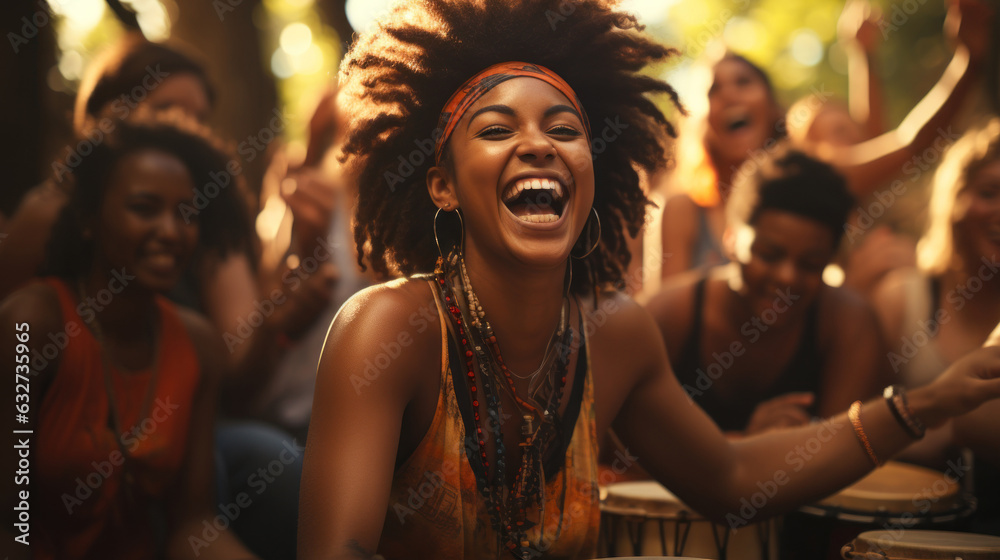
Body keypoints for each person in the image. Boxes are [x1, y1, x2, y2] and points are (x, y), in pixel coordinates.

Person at [297, 1, 1000, 559]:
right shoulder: (388, 330)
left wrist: (923, 405)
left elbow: (730, 478)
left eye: (564, 129)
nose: (537, 143)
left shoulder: (616, 335)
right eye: (496, 128)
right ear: (443, 185)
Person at [0, 114, 258, 559]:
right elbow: (11, 523)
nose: (171, 231)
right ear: (89, 219)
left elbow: (191, 523)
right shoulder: (32, 327)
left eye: (187, 214)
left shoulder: (198, 346)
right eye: (144, 208)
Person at [659, 0, 991, 282]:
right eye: (713, 90)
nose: (729, 93)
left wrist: (967, 61)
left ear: (774, 107)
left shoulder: (809, 178)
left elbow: (905, 144)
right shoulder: (683, 209)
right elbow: (664, 321)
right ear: (699, 120)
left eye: (743, 82)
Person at [646, 149, 888, 435]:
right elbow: (618, 446)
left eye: (810, 264)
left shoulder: (849, 325)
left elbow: (843, 451)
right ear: (731, 238)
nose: (787, 277)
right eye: (769, 254)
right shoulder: (670, 314)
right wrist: (747, 445)